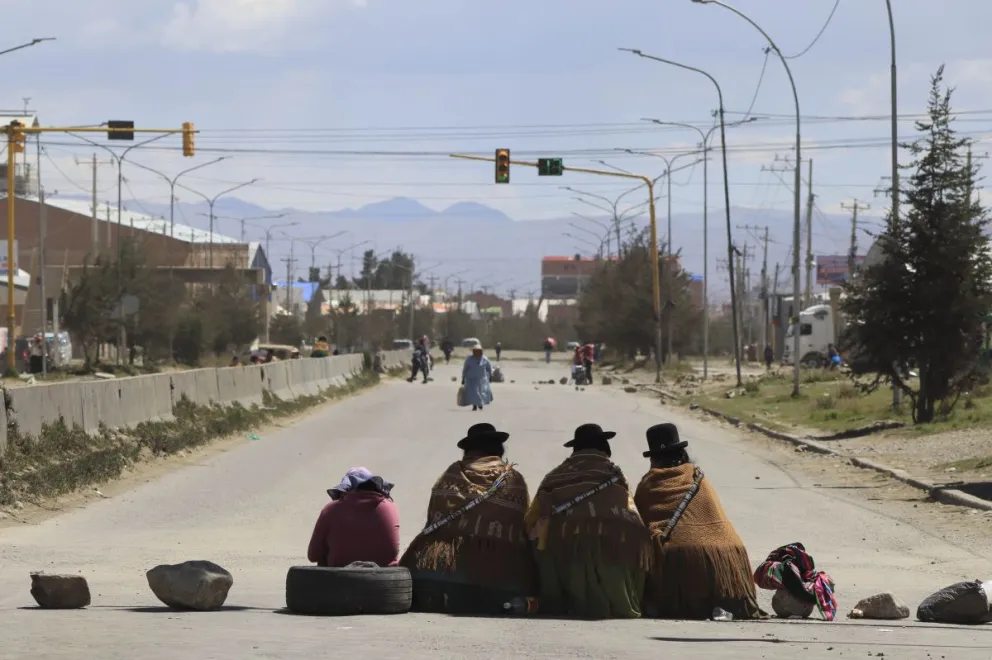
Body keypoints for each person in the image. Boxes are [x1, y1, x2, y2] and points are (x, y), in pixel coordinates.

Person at [633, 423, 766, 620]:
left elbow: (639, 530)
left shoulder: (649, 484)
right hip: (730, 564)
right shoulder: (699, 478)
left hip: (682, 565)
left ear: (654, 458)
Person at [400, 423, 534, 614]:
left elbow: (433, 519)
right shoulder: (513, 479)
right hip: (501, 580)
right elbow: (522, 525)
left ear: (468, 450)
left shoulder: (452, 473)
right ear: (498, 449)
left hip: (435, 575)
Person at [524, 424, 651, 619]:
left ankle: (558, 596)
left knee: (542, 536)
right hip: (613, 553)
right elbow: (633, 516)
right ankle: (623, 597)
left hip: (566, 553)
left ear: (576, 449)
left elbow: (530, 522)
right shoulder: (616, 475)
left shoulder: (555, 476)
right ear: (604, 446)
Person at [307, 467, 400, 568]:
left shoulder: (331, 509)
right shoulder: (390, 507)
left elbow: (313, 555)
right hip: (387, 579)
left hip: (339, 579)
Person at [461, 343, 493, 411]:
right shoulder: (469, 359)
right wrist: (463, 377)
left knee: (481, 392)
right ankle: (475, 405)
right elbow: (465, 369)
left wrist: (490, 376)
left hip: (482, 379)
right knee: (474, 392)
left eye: (478, 351)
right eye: (475, 351)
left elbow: (489, 368)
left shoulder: (485, 359)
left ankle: (480, 403)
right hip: (471, 379)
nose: (477, 352)